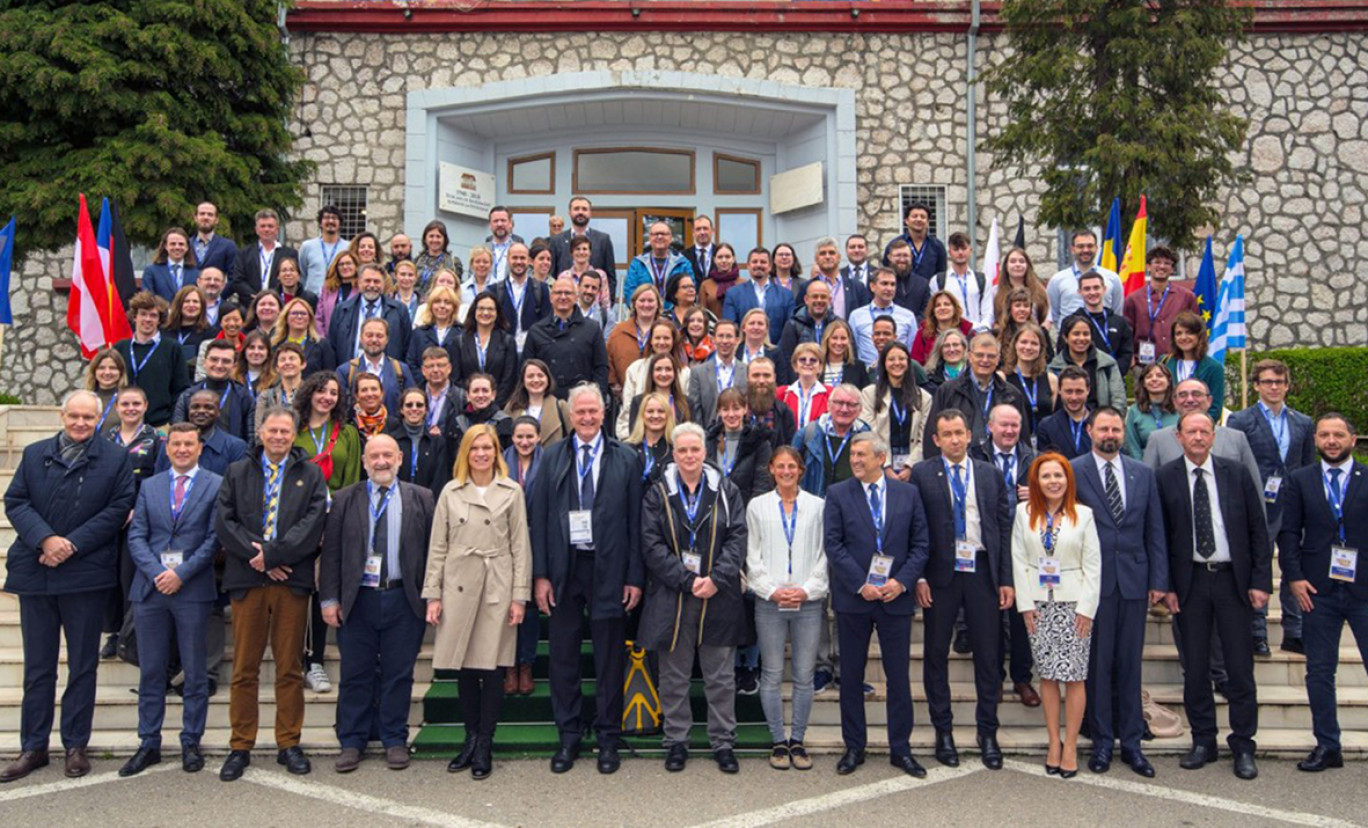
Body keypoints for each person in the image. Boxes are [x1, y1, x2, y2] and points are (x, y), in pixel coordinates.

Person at [0, 391, 136, 783]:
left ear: (99, 419)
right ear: (62, 415)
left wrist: (70, 544)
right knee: (38, 668)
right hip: (37, 570)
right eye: (74, 416)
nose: (80, 423)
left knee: (83, 666)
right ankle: (34, 747)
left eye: (88, 418)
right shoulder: (34, 453)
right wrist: (46, 540)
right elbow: (17, 501)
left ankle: (76, 744)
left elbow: (118, 509)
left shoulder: (115, 459)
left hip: (85, 575)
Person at [530, 384, 644, 775]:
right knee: (563, 655)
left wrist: (634, 576)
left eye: (593, 411)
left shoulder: (627, 458)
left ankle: (609, 736)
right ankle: (569, 735)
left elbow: (635, 522)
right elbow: (541, 517)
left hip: (609, 567)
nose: (587, 418)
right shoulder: (552, 456)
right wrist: (541, 575)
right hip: (565, 569)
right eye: (580, 412)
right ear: (571, 415)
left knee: (609, 656)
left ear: (604, 412)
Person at [214, 406, 329, 782]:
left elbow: (313, 524)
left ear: (293, 434)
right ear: (261, 432)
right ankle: (240, 744)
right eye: (272, 430)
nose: (278, 436)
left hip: (290, 582)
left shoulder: (310, 474)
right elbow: (225, 522)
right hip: (247, 581)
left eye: (285, 431)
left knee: (289, 668)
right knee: (244, 669)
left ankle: (288, 743)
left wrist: (275, 555)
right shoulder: (236, 471)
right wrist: (259, 557)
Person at [1158, 412, 1271, 780]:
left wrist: (1260, 581)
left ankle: (1243, 744)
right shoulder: (1165, 477)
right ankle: (1203, 740)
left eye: (1205, 431)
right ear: (1179, 437)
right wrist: (1167, 586)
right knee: (1195, 667)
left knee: (1239, 668)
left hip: (1232, 581)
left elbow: (1258, 529)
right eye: (1191, 431)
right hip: (1189, 583)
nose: (1198, 437)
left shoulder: (1235, 472)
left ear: (1213, 435)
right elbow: (1160, 537)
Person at [318, 435, 434, 773]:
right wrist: (329, 599)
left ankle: (394, 738)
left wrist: (431, 595)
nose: (381, 461)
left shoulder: (422, 497)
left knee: (399, 674)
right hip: (359, 599)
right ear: (365, 462)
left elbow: (431, 552)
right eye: (374, 456)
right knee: (356, 673)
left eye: (387, 455)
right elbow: (332, 555)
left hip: (403, 598)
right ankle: (352, 740)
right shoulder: (344, 499)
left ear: (399, 458)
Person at [636, 423, 747, 773]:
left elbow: (738, 537)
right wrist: (687, 579)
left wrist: (716, 578)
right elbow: (651, 546)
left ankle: (723, 742)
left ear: (704, 452)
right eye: (682, 450)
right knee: (674, 676)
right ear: (674, 452)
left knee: (719, 676)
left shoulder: (726, 490)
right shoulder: (657, 493)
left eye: (695, 450)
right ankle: (677, 741)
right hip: (674, 596)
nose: (688, 456)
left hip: (718, 594)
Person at [118, 424, 222, 777]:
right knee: (151, 671)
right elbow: (137, 536)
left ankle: (191, 740)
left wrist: (181, 574)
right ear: (167, 448)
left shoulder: (216, 484)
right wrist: (156, 572)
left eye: (188, 444)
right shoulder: (149, 485)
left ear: (199, 448)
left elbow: (213, 539)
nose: (181, 449)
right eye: (175, 443)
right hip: (150, 590)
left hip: (191, 589)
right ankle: (148, 742)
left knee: (194, 672)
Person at [911, 410, 1014, 770]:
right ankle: (944, 731)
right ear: (936, 440)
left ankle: (988, 732)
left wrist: (1006, 579)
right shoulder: (922, 474)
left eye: (959, 433)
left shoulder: (989, 474)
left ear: (969, 435)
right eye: (946, 434)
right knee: (936, 653)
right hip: (940, 573)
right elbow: (915, 528)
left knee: (988, 655)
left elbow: (1003, 528)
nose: (954, 440)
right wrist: (919, 577)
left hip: (982, 570)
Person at [824, 433, 930, 776]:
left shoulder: (908, 494)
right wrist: (861, 584)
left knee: (898, 677)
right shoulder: (838, 493)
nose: (855, 460)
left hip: (894, 599)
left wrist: (901, 582)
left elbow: (921, 546)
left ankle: (901, 749)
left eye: (861, 454)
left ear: (880, 457)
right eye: (853, 454)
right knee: (851, 677)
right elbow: (834, 545)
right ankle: (854, 747)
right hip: (855, 600)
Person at [1071, 407, 1167, 777]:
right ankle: (1101, 742)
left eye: (1116, 428)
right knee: (1097, 665)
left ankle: (1132, 744)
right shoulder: (1074, 469)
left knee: (1129, 664)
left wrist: (1158, 579)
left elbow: (1154, 528)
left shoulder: (1142, 473)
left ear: (1123, 432)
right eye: (1103, 428)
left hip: (1134, 581)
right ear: (1090, 430)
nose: (1110, 433)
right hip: (1092, 584)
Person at [1278, 413, 1367, 773]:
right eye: (1325, 435)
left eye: (1339, 435)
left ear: (1353, 438)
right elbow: (1288, 533)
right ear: (1315, 439)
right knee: (1319, 672)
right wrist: (1294, 578)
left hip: (1364, 589)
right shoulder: (1300, 480)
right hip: (1317, 590)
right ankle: (1328, 746)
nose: (1332, 441)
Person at [1012, 452, 1102, 778]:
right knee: (1048, 676)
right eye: (1046, 476)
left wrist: (1087, 609)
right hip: (1039, 606)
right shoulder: (1024, 513)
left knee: (1075, 677)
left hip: (1074, 605)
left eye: (1058, 476)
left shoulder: (1084, 515)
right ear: (1036, 481)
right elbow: (1019, 559)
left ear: (1068, 480)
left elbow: (1093, 566)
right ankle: (1053, 741)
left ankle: (1071, 745)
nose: (1053, 482)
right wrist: (1025, 606)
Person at [1228, 359, 1316, 656]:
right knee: (1259, 566)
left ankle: (1295, 631)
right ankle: (1257, 632)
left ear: (1287, 385)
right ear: (1256, 385)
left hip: (1293, 503)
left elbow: (1307, 467)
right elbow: (1237, 465)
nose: (1274, 387)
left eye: (1279, 382)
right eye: (1267, 382)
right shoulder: (1241, 420)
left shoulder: (1302, 422)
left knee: (1295, 565)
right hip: (1257, 503)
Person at [746, 446, 825, 770]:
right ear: (771, 470)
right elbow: (752, 555)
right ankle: (779, 740)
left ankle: (798, 740)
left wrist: (805, 591)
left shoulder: (818, 507)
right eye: (781, 466)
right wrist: (773, 591)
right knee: (773, 673)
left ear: (801, 471)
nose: (787, 471)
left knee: (804, 675)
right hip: (770, 602)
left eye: (792, 466)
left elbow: (825, 555)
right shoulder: (757, 507)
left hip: (808, 603)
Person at [971, 404, 1040, 705]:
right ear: (990, 427)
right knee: (991, 617)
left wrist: (1036, 493)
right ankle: (995, 677)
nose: (1010, 431)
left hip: (1026, 546)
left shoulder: (1033, 459)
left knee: (1024, 615)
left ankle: (1022, 678)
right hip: (989, 544)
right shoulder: (976, 456)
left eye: (1015, 425)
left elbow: (1057, 494)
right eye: (1004, 425)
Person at [923, 333, 1030, 457]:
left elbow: (1022, 438)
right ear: (970, 356)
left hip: (999, 464)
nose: (985, 360)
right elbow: (933, 434)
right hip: (959, 463)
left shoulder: (1011, 395)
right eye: (979, 355)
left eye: (991, 356)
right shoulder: (948, 391)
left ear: (998, 359)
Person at [1142, 379, 1261, 487]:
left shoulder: (1236, 438)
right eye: (1183, 395)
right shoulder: (1158, 440)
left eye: (1196, 394)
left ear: (1209, 400)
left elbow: (1253, 485)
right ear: (1175, 402)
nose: (1189, 399)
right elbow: (1147, 486)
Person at [502, 415, 545, 694]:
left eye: (530, 436)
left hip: (538, 538)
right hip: (504, 541)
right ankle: (508, 665)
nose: (525, 442)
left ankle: (526, 664)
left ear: (539, 437)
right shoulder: (500, 462)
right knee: (506, 604)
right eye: (520, 437)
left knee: (528, 607)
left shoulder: (550, 462)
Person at [522, 274, 611, 402]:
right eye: (558, 293)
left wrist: (598, 399)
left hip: (581, 402)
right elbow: (526, 370)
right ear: (551, 298)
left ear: (576, 297)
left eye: (568, 293)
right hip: (547, 402)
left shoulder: (592, 329)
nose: (563, 297)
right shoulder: (536, 331)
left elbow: (601, 368)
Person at [115, 290, 192, 427]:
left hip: (160, 424)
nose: (148, 319)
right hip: (123, 425)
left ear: (159, 320)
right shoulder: (120, 348)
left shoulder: (172, 348)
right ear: (134, 317)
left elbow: (180, 390)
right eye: (143, 314)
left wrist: (174, 422)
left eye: (153, 315)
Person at [860, 341, 933, 476]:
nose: (897, 363)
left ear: (909, 362)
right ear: (884, 363)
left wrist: (910, 466)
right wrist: (886, 466)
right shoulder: (869, 394)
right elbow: (870, 432)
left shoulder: (923, 397)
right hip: (879, 465)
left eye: (902, 359)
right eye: (891, 359)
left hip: (913, 467)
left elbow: (924, 436)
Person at [1123, 246, 1198, 365]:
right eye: (1157, 262)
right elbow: (1126, 334)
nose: (1162, 266)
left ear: (1172, 269)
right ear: (1148, 267)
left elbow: (1195, 330)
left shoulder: (1187, 298)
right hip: (1143, 365)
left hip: (1178, 362)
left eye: (1167, 263)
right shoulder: (1133, 299)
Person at [793, 383, 869, 497]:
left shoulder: (867, 437)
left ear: (860, 410)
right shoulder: (807, 434)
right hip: (815, 505)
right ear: (828, 405)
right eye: (839, 403)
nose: (844, 409)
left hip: (852, 507)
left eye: (851, 404)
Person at [174, 339, 256, 444]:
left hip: (233, 458)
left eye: (226, 361)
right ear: (204, 362)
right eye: (214, 359)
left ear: (234, 365)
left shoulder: (244, 398)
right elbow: (177, 435)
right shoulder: (187, 396)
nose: (219, 365)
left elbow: (251, 441)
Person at [329, 263, 413, 365]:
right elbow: (332, 347)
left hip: (387, 374)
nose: (372, 285)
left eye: (376, 281)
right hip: (350, 373)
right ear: (359, 283)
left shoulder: (399, 310)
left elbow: (407, 346)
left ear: (383, 284)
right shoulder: (342, 310)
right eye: (367, 281)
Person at [336, 317, 416, 415]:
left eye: (379, 336)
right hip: (356, 428)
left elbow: (412, 402)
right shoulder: (346, 371)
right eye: (369, 335)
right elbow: (340, 407)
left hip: (393, 428)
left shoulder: (401, 370)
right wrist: (359, 413)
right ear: (361, 338)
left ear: (387, 339)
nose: (374, 340)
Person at [707, 387, 774, 502]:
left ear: (745, 409)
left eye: (736, 408)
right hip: (715, 512)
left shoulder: (759, 443)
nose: (731, 414)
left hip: (746, 512)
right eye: (725, 409)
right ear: (719, 412)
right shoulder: (709, 441)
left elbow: (761, 486)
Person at [1048, 315, 1127, 411]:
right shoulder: (1054, 368)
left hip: (1100, 422)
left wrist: (1109, 422)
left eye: (1086, 334)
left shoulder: (1108, 364)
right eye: (1076, 334)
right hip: (1065, 423)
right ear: (1065, 338)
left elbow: (1118, 400)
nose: (1081, 338)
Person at [1047, 230, 1123, 326]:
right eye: (1080, 246)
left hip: (1104, 337)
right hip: (1070, 338)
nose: (1086, 250)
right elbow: (1054, 315)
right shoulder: (1057, 280)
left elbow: (1117, 312)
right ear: (1072, 249)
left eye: (1090, 246)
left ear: (1096, 248)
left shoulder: (1112, 279)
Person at [1064, 270, 1134, 372]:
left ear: (1104, 289)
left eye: (1096, 288)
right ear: (1080, 292)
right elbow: (1063, 353)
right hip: (1081, 379)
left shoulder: (1120, 322)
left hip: (1114, 378)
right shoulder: (1069, 322)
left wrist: (1113, 374)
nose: (1092, 292)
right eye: (1087, 289)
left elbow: (1126, 354)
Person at [1159, 311, 1225, 421]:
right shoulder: (1165, 362)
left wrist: (1196, 426)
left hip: (1198, 428)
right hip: (1167, 425)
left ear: (1199, 336)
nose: (1183, 337)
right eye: (1178, 333)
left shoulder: (1214, 367)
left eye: (1189, 333)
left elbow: (1215, 409)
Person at [458, 291, 519, 407]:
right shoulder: (460, 341)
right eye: (481, 308)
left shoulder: (507, 341)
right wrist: (470, 402)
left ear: (497, 313)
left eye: (490, 309)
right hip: (467, 408)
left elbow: (509, 379)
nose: (485, 313)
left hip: (497, 408)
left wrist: (493, 405)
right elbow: (456, 379)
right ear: (474, 311)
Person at [386, 388, 452, 494]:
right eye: (409, 405)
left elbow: (440, 479)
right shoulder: (391, 441)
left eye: (419, 405)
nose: (414, 408)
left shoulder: (437, 443)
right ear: (402, 410)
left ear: (426, 409)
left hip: (428, 502)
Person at [688, 318, 747, 431]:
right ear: (713, 339)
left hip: (740, 435)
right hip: (709, 436)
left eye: (729, 336)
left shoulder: (746, 371)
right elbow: (695, 410)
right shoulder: (698, 372)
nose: (724, 341)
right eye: (720, 336)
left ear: (737, 340)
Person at [849, 268, 917, 366]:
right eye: (884, 284)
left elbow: (911, 350)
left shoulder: (908, 316)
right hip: (866, 373)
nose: (889, 288)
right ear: (872, 286)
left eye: (892, 284)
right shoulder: (856, 316)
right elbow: (852, 350)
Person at [550, 196, 616, 295]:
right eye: (576, 209)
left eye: (584, 209)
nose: (580, 212)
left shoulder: (603, 240)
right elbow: (552, 276)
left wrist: (607, 305)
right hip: (565, 302)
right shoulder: (557, 240)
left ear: (590, 213)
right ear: (569, 213)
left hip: (595, 303)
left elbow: (610, 276)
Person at [607, 284, 665, 397]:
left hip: (661, 399)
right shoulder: (619, 331)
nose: (646, 304)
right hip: (626, 397)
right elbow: (608, 360)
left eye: (651, 301)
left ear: (658, 304)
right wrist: (615, 385)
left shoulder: (667, 330)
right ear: (634, 304)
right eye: (642, 300)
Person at [492, 242, 551, 354]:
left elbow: (546, 323)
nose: (518, 262)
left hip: (531, 351)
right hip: (502, 351)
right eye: (514, 258)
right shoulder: (495, 290)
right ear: (508, 259)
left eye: (522, 258)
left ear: (529, 261)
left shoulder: (541, 289)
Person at [723, 246, 795, 337]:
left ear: (770, 266)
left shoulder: (786, 295)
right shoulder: (733, 294)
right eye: (754, 262)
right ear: (748, 266)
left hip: (776, 349)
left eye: (763, 262)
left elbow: (789, 328)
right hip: (744, 349)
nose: (758, 265)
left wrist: (777, 350)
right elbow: (731, 327)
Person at [229, 209, 297, 304]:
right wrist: (255, 297)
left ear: (277, 229)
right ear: (256, 230)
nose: (266, 229)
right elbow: (238, 279)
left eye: (270, 226)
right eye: (262, 226)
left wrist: (272, 297)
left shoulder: (289, 254)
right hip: (250, 304)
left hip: (279, 304)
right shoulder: (244, 253)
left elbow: (292, 279)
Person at [618, 352, 690, 440]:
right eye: (658, 369)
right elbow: (634, 435)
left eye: (668, 369)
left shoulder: (687, 403)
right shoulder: (638, 401)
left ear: (675, 373)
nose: (663, 374)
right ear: (651, 373)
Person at [1003, 323, 1056, 441]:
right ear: (1015, 345)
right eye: (1023, 342)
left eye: (1034, 343)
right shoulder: (1003, 378)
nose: (1028, 347)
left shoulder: (1051, 380)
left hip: (1045, 443)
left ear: (1041, 348)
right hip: (1015, 443)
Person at [929, 233, 992, 331]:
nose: (960, 253)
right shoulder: (938, 280)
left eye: (963, 248)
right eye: (956, 249)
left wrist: (983, 329)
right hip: (950, 333)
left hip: (977, 332)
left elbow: (987, 311)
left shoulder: (982, 279)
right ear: (950, 252)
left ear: (970, 250)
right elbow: (935, 311)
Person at [504, 358, 571, 446]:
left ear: (548, 380)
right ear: (523, 381)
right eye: (530, 376)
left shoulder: (561, 407)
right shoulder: (511, 407)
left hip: (552, 459)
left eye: (540, 375)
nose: (536, 380)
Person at [624, 221, 692, 307]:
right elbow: (630, 291)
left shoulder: (683, 263)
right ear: (649, 238)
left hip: (674, 316)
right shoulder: (637, 263)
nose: (659, 237)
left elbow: (689, 291)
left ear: (670, 238)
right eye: (656, 234)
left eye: (663, 234)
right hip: (645, 313)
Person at [1036, 367, 1094, 460]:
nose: (1074, 397)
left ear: (1088, 390)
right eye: (1068, 391)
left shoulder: (1101, 424)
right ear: (1059, 390)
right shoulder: (1047, 426)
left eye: (1079, 391)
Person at [807, 237, 871, 320]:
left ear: (839, 257)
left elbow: (864, 318)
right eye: (822, 253)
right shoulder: (807, 287)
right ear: (816, 259)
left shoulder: (857, 287)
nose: (827, 257)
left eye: (831, 253)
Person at [1125, 363, 1179, 459]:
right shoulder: (1134, 411)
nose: (1154, 379)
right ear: (1144, 383)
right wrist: (1142, 469)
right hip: (1145, 467)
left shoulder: (1179, 409)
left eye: (1160, 376)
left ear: (1169, 381)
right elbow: (1132, 446)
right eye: (1149, 376)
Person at [272, 297, 336, 377]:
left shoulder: (322, 345)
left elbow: (330, 375)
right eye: (294, 313)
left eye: (303, 313)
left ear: (310, 318)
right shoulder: (275, 344)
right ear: (286, 318)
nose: (299, 316)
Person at [777, 278, 836, 367]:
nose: (819, 300)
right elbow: (787, 361)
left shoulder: (837, 324)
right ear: (806, 299)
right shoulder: (793, 325)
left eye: (823, 297)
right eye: (815, 296)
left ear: (830, 300)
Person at [882, 201, 945, 280]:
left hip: (929, 291)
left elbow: (942, 275)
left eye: (923, 217)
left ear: (928, 222)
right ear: (906, 221)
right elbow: (886, 271)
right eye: (914, 216)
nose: (919, 219)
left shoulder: (937, 246)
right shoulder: (894, 245)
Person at [254, 342, 306, 438]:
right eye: (282, 359)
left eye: (292, 358)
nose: (287, 362)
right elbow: (259, 432)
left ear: (303, 364)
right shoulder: (265, 396)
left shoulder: (311, 394)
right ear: (277, 367)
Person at [992, 247, 1051, 331]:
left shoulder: (1040, 291)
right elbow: (993, 320)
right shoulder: (995, 292)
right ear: (1006, 266)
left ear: (1027, 265)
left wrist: (1041, 333)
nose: (1017, 265)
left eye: (1021, 261)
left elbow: (1047, 318)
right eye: (1013, 261)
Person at [453, 373, 515, 452]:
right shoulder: (457, 423)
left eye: (485, 391)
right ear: (468, 395)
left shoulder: (504, 422)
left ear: (493, 395)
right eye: (475, 391)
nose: (480, 395)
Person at [911, 290, 975, 365]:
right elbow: (916, 362)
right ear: (933, 311)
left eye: (947, 304)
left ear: (954, 308)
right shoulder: (923, 333)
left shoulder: (967, 331)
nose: (942, 308)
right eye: (938, 305)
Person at [558, 235, 612, 321]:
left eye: (584, 249)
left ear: (590, 252)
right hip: (570, 322)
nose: (581, 252)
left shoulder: (600, 275)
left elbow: (605, 303)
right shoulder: (564, 276)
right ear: (571, 252)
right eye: (577, 249)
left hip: (595, 320)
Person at [748, 357, 798, 450]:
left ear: (774, 378)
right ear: (747, 377)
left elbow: (790, 450)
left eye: (767, 375)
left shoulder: (785, 413)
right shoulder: (738, 411)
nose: (761, 381)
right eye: (756, 375)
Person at [777, 343, 830, 431]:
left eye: (813, 360)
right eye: (802, 360)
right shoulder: (782, 394)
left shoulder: (830, 394)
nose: (808, 363)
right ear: (795, 366)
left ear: (820, 367)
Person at [298, 205, 349, 295]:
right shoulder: (307, 246)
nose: (330, 221)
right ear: (320, 223)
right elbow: (302, 273)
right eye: (326, 218)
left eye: (334, 218)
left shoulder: (348, 247)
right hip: (313, 299)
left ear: (340, 223)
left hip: (338, 299)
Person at [996, 287, 1056, 364]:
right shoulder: (1000, 334)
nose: (1022, 309)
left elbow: (1049, 359)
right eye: (1017, 306)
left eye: (1026, 306)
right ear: (1010, 309)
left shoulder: (1042, 332)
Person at [142, 226, 201, 302]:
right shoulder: (151, 272)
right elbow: (148, 299)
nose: (177, 247)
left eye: (181, 244)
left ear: (187, 247)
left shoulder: (196, 273)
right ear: (166, 246)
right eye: (173, 244)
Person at [315, 250, 360, 338]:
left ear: (356, 266)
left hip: (353, 338)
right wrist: (323, 339)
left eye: (348, 263)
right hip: (330, 338)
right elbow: (319, 317)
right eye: (341, 264)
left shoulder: (361, 289)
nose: (345, 267)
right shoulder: (328, 288)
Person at [737, 308, 788, 383]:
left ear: (767, 329)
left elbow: (781, 383)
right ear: (744, 328)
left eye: (760, 324)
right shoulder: (735, 351)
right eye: (752, 323)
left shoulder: (775, 353)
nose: (756, 327)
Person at [886, 239, 933, 320]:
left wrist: (910, 325)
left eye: (905, 255)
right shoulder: (881, 283)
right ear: (889, 257)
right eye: (897, 255)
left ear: (911, 257)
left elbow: (926, 312)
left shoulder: (922, 284)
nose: (902, 259)